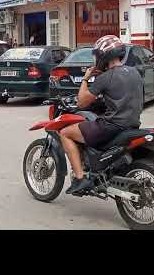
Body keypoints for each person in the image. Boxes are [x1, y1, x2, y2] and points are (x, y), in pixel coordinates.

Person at [59, 35, 143, 194]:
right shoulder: (135, 72)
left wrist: (86, 78)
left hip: (112, 127)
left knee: (65, 133)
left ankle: (80, 178)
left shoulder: (105, 77)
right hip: (132, 124)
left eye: (97, 56)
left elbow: (81, 102)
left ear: (103, 56)